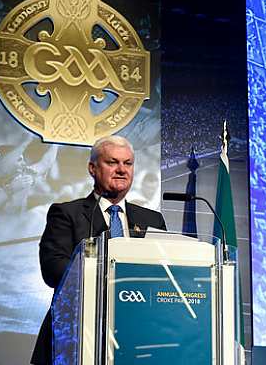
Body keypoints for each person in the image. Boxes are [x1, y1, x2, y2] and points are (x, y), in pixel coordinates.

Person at [31, 135, 166, 365]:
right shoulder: (66, 214)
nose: (122, 170)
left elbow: (163, 276)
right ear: (92, 168)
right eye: (112, 162)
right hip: (76, 337)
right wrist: (115, 280)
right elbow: (53, 269)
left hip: (137, 339)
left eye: (128, 163)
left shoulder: (152, 220)